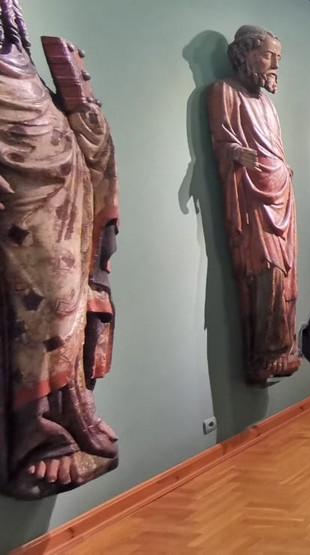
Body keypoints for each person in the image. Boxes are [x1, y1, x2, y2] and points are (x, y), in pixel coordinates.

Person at [1, 10, 121, 498]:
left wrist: (81, 105)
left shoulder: (25, 67)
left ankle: (72, 410)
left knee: (72, 309)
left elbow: (85, 141)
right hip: (22, 214)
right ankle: (37, 434)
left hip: (68, 203)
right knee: (40, 315)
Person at [208, 25, 301, 384]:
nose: (275, 65)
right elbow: (222, 141)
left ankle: (284, 346)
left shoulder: (268, 104)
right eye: (268, 56)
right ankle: (265, 352)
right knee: (266, 271)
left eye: (278, 58)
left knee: (286, 275)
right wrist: (235, 153)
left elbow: (274, 149)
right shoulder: (224, 92)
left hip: (280, 194)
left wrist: (282, 168)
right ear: (243, 54)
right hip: (252, 197)